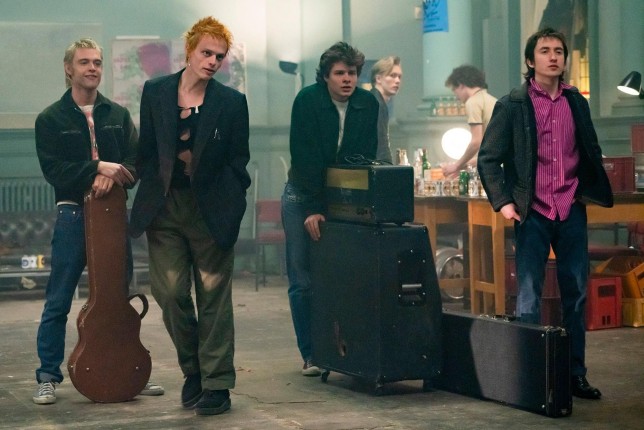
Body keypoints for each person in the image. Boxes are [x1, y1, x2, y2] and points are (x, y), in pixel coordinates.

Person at [477, 27, 613, 400]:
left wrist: (586, 189)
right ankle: (529, 377)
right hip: (532, 211)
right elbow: (488, 158)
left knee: (576, 296)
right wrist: (505, 203)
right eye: (544, 51)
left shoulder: (576, 102)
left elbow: (589, 149)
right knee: (528, 297)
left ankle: (574, 375)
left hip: (570, 209)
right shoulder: (513, 103)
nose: (553, 57)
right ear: (530, 60)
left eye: (558, 51)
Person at [129, 17, 250, 416]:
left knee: (214, 296)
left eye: (219, 56)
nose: (213, 61)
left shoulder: (231, 102)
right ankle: (194, 369)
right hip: (164, 208)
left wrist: (232, 200)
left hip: (211, 209)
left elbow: (239, 161)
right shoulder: (157, 91)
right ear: (190, 51)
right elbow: (147, 151)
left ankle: (217, 383)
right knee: (169, 293)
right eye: (206, 53)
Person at [33, 38, 164, 405]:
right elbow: (54, 170)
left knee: (119, 298)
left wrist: (113, 175)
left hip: (113, 215)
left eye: (97, 62)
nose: (92, 68)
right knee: (58, 299)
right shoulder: (50, 119)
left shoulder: (118, 115)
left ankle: (128, 370)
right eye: (84, 62)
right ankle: (47, 376)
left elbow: (136, 162)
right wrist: (96, 169)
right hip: (73, 215)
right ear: (68, 68)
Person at [281, 42, 379, 376]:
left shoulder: (367, 103)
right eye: (339, 73)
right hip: (302, 197)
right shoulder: (307, 100)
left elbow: (364, 156)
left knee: (343, 277)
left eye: (352, 73)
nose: (347, 79)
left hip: (343, 198)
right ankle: (310, 353)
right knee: (303, 279)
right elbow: (304, 157)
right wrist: (313, 208)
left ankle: (343, 351)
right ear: (325, 76)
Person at [441, 65, 497, 178]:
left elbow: (476, 142)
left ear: (461, 85)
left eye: (454, 90)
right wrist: (464, 166)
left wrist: (456, 165)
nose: (456, 96)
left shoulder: (473, 102)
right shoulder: (493, 100)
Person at [370, 55, 403, 164]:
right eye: (392, 75)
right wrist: (387, 167)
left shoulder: (374, 100)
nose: (397, 80)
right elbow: (381, 146)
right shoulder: (376, 103)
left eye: (399, 77)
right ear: (378, 78)